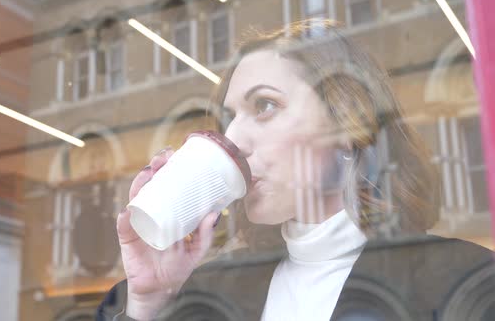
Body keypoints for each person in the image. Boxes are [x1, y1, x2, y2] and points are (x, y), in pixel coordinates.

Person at [97, 21, 495, 321]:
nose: (234, 139)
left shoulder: (465, 281)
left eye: (265, 106)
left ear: (345, 122)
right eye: (229, 118)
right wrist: (150, 301)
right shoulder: (210, 293)